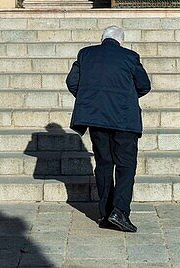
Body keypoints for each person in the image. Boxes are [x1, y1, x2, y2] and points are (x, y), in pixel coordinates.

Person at [65, 25, 151, 233]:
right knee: (125, 165)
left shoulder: (86, 54)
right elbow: (144, 85)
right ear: (120, 41)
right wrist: (124, 98)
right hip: (124, 119)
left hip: (96, 117)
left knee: (104, 163)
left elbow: (71, 82)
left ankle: (104, 213)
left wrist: (93, 99)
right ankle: (119, 212)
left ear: (102, 39)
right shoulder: (130, 56)